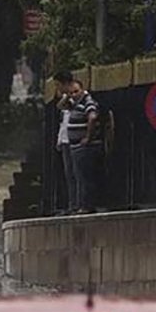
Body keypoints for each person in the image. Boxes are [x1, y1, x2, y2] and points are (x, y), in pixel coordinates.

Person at [66, 79, 103, 213]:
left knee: (84, 177)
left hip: (85, 148)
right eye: (71, 93)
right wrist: (67, 97)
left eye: (76, 91)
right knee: (79, 176)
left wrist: (88, 137)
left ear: (82, 90)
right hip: (76, 147)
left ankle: (86, 206)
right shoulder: (75, 104)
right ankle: (82, 204)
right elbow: (60, 106)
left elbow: (92, 117)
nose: (74, 95)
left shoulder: (88, 102)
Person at [53, 71, 76, 214]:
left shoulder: (75, 98)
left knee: (75, 174)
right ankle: (71, 203)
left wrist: (68, 95)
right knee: (69, 174)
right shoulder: (65, 100)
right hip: (66, 139)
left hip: (74, 140)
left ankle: (76, 204)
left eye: (58, 85)